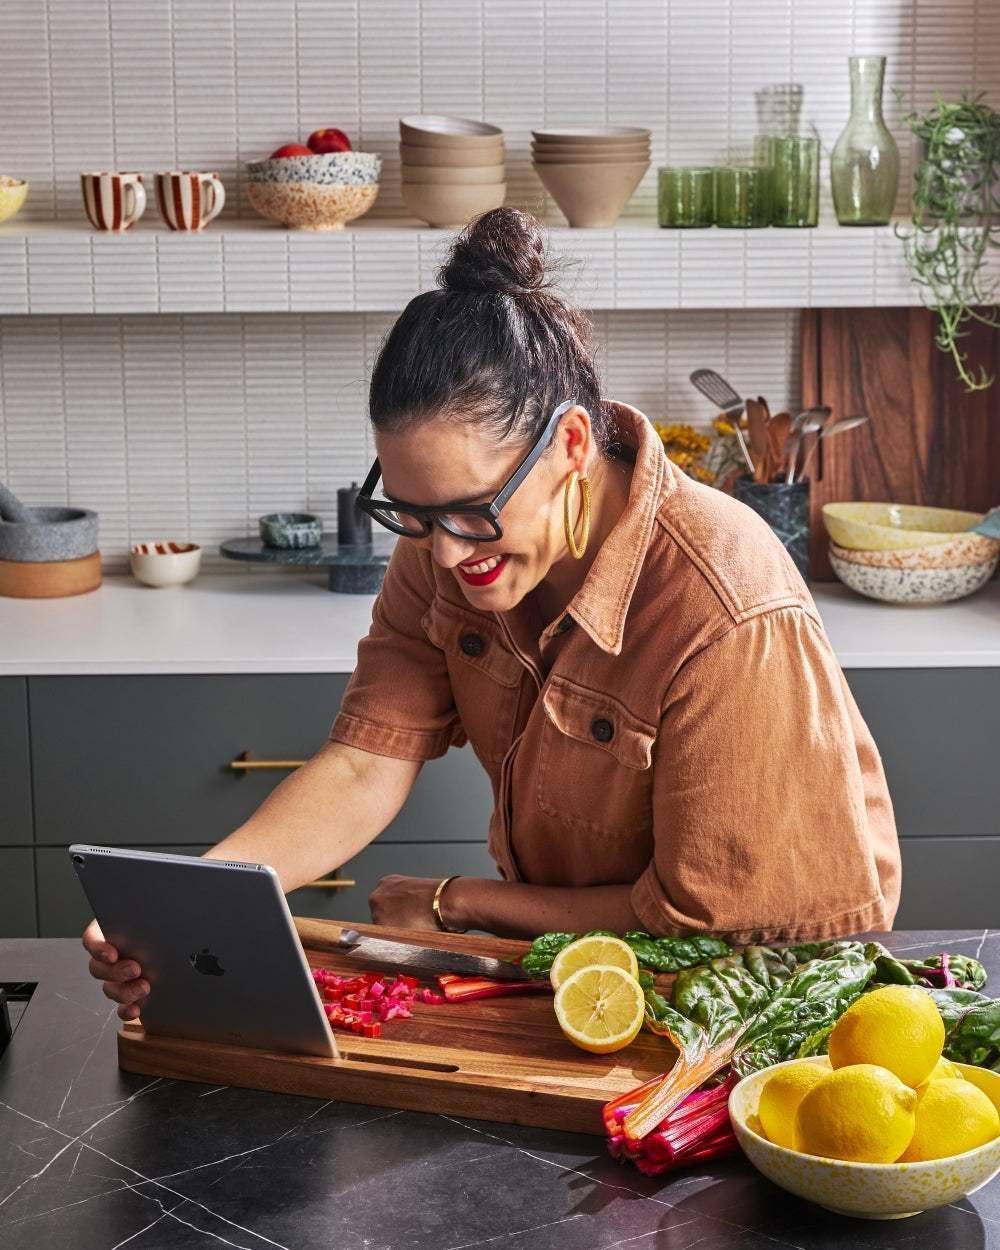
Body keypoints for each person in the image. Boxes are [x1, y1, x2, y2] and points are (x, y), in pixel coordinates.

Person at [84, 208, 901, 1020]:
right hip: (585, 973)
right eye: (412, 512)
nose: (440, 554)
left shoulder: (724, 606)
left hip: (765, 997)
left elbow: (715, 926)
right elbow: (367, 759)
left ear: (572, 445)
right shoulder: (450, 537)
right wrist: (189, 905)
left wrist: (460, 902)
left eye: (471, 510)